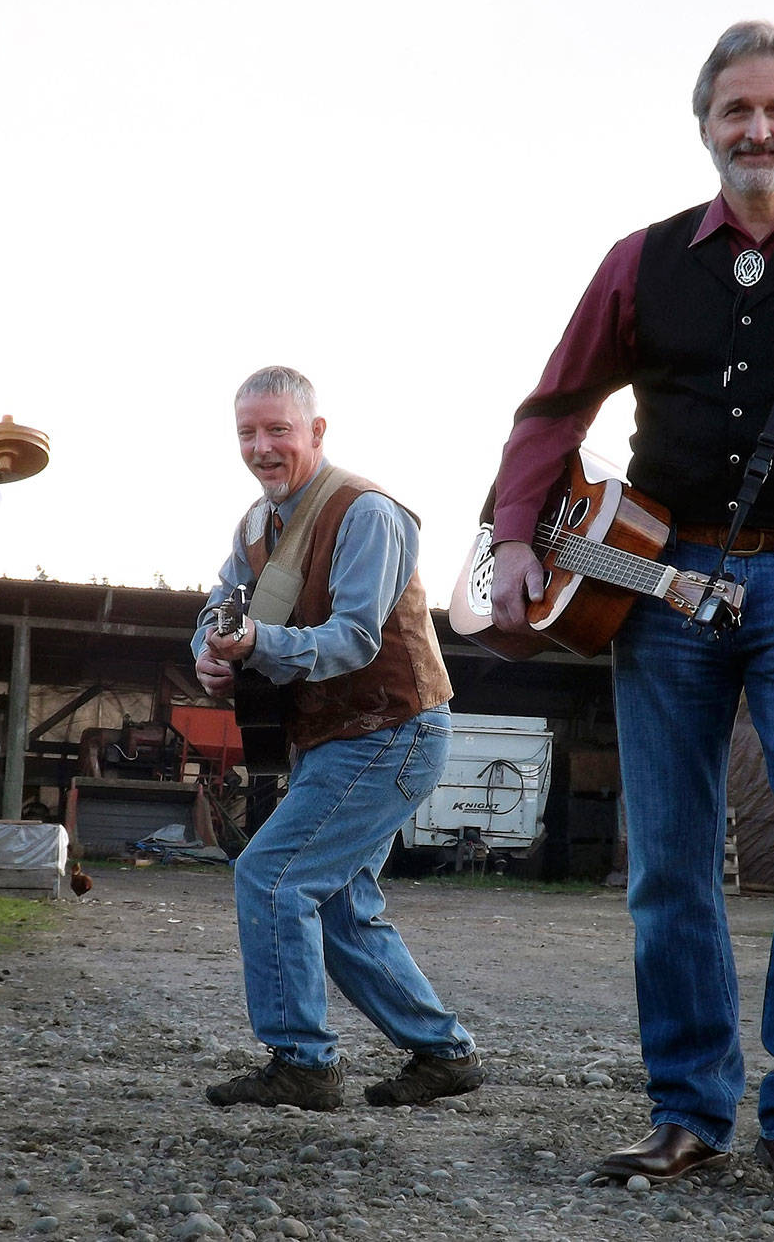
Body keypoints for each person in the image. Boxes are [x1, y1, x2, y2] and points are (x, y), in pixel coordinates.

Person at [488, 21, 774, 1214]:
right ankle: (686, 1111)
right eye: (733, 110)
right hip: (655, 580)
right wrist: (508, 542)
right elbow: (551, 410)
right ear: (703, 125)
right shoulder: (638, 262)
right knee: (670, 864)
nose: (755, 130)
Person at [192, 365, 483, 1112]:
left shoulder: (369, 513)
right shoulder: (256, 527)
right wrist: (211, 651)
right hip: (336, 738)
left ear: (316, 432)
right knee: (338, 902)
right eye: (248, 433)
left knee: (272, 875)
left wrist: (256, 645)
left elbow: (353, 638)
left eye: (277, 430)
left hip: (393, 728)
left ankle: (303, 1060)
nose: (261, 447)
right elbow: (220, 606)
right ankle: (442, 1052)